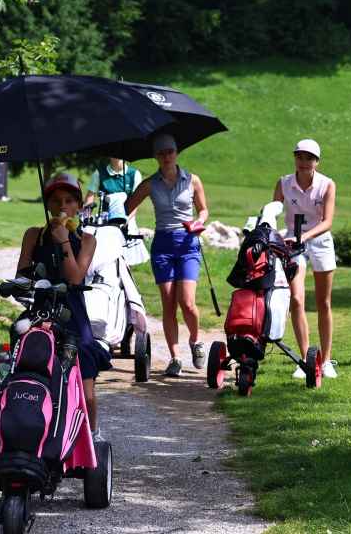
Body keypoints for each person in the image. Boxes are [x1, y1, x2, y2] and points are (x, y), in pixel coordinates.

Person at [15, 172, 112, 439]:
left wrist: (64, 241)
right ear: (48, 205)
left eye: (69, 201)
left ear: (78, 206)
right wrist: (25, 282)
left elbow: (75, 277)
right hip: (40, 313)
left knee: (86, 391)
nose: (62, 206)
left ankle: (92, 435)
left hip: (73, 317)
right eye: (56, 201)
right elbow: (21, 274)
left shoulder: (88, 240)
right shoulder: (34, 235)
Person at [125, 133, 210, 377]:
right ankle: (175, 358)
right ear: (155, 156)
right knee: (169, 302)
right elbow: (128, 208)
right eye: (161, 153)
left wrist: (199, 221)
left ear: (176, 152)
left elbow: (204, 210)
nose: (166, 157)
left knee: (188, 302)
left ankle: (195, 341)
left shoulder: (192, 180)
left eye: (170, 151)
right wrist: (122, 217)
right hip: (163, 244)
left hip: (188, 243)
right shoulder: (150, 184)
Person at [273, 138, 339, 379]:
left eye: (309, 158)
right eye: (300, 157)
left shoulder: (327, 185)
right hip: (293, 243)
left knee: (324, 302)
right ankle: (306, 362)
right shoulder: (283, 183)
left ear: (316, 162)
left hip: (319, 242)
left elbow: (327, 221)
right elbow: (273, 210)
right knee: (296, 299)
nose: (303, 162)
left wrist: (306, 236)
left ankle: (327, 360)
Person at [84, 158, 149, 265]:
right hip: (106, 224)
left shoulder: (134, 174)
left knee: (127, 262)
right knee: (106, 260)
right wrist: (86, 219)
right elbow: (89, 198)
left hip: (127, 222)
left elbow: (136, 202)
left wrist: (126, 221)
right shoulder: (99, 173)